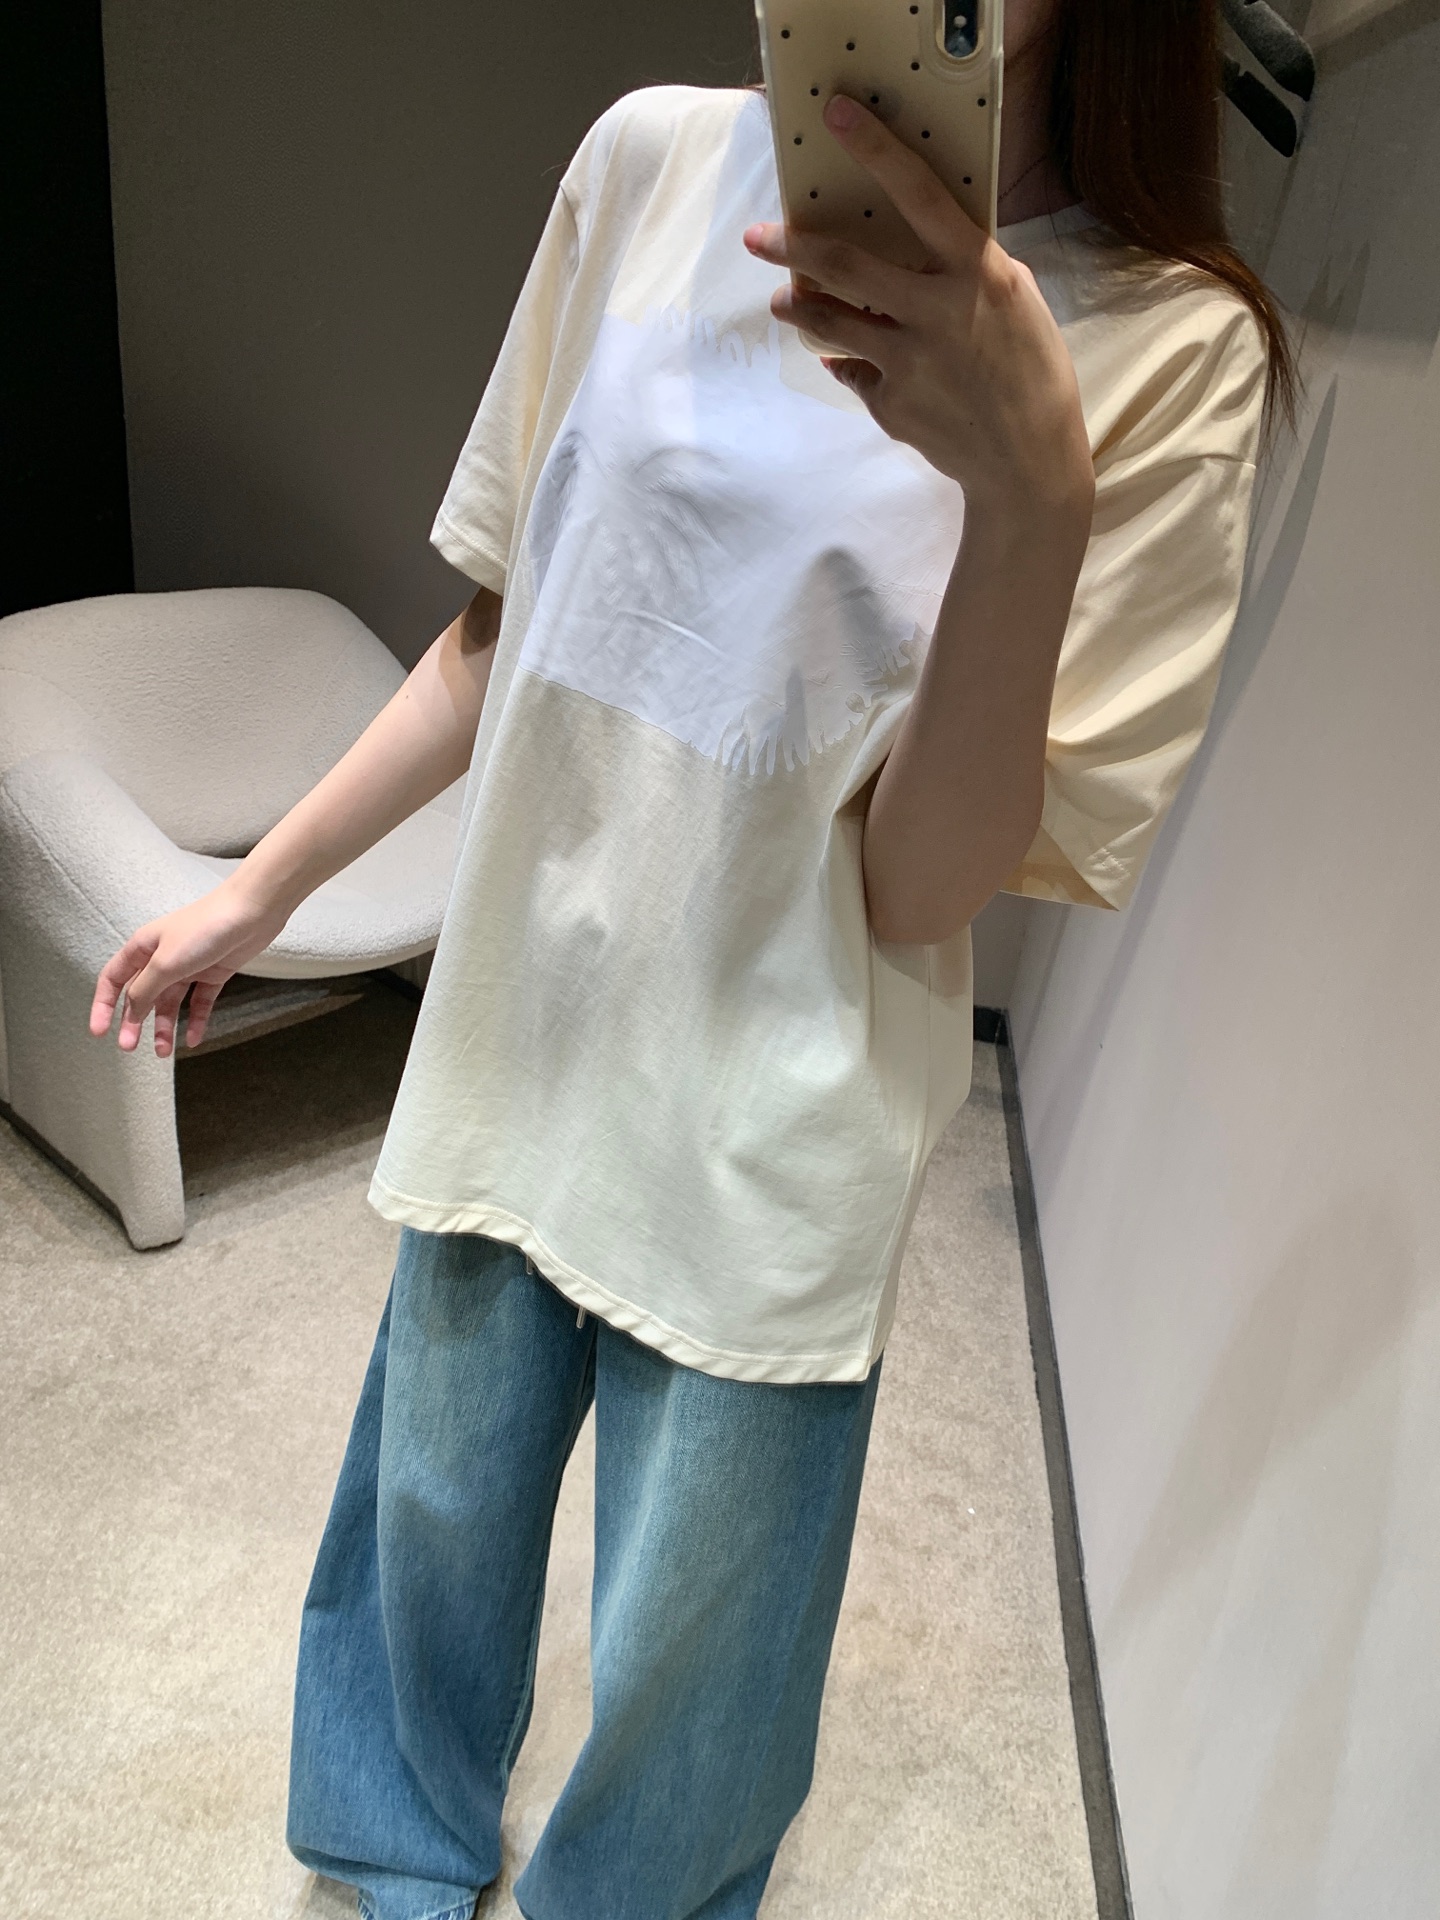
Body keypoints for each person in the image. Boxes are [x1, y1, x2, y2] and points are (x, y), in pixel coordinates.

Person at [89, 2, 1294, 1915]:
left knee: (694, 1679)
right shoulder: (649, 160)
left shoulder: (1169, 350)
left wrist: (1031, 503)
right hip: (525, 1015)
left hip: (777, 1107)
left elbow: (924, 891)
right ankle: (390, 1870)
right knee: (424, 1529)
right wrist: (267, 889)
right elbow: (507, 627)